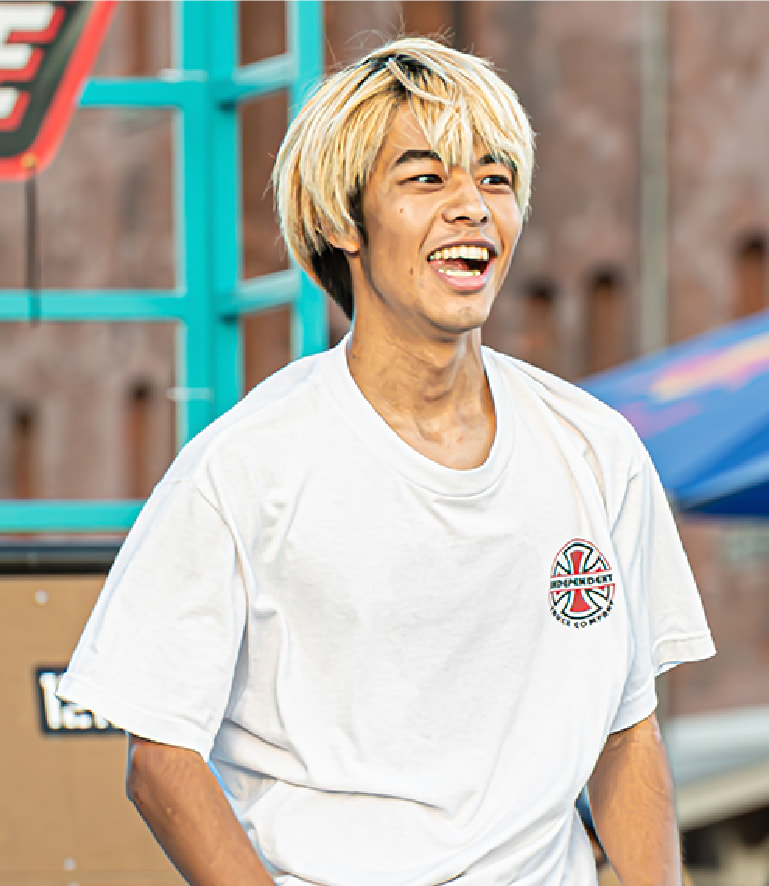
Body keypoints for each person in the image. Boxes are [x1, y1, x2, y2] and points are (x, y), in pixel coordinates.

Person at [58, 36, 715, 886]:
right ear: (342, 221)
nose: (472, 207)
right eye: (426, 178)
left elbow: (625, 734)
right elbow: (158, 759)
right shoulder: (245, 465)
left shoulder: (595, 447)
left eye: (495, 179)